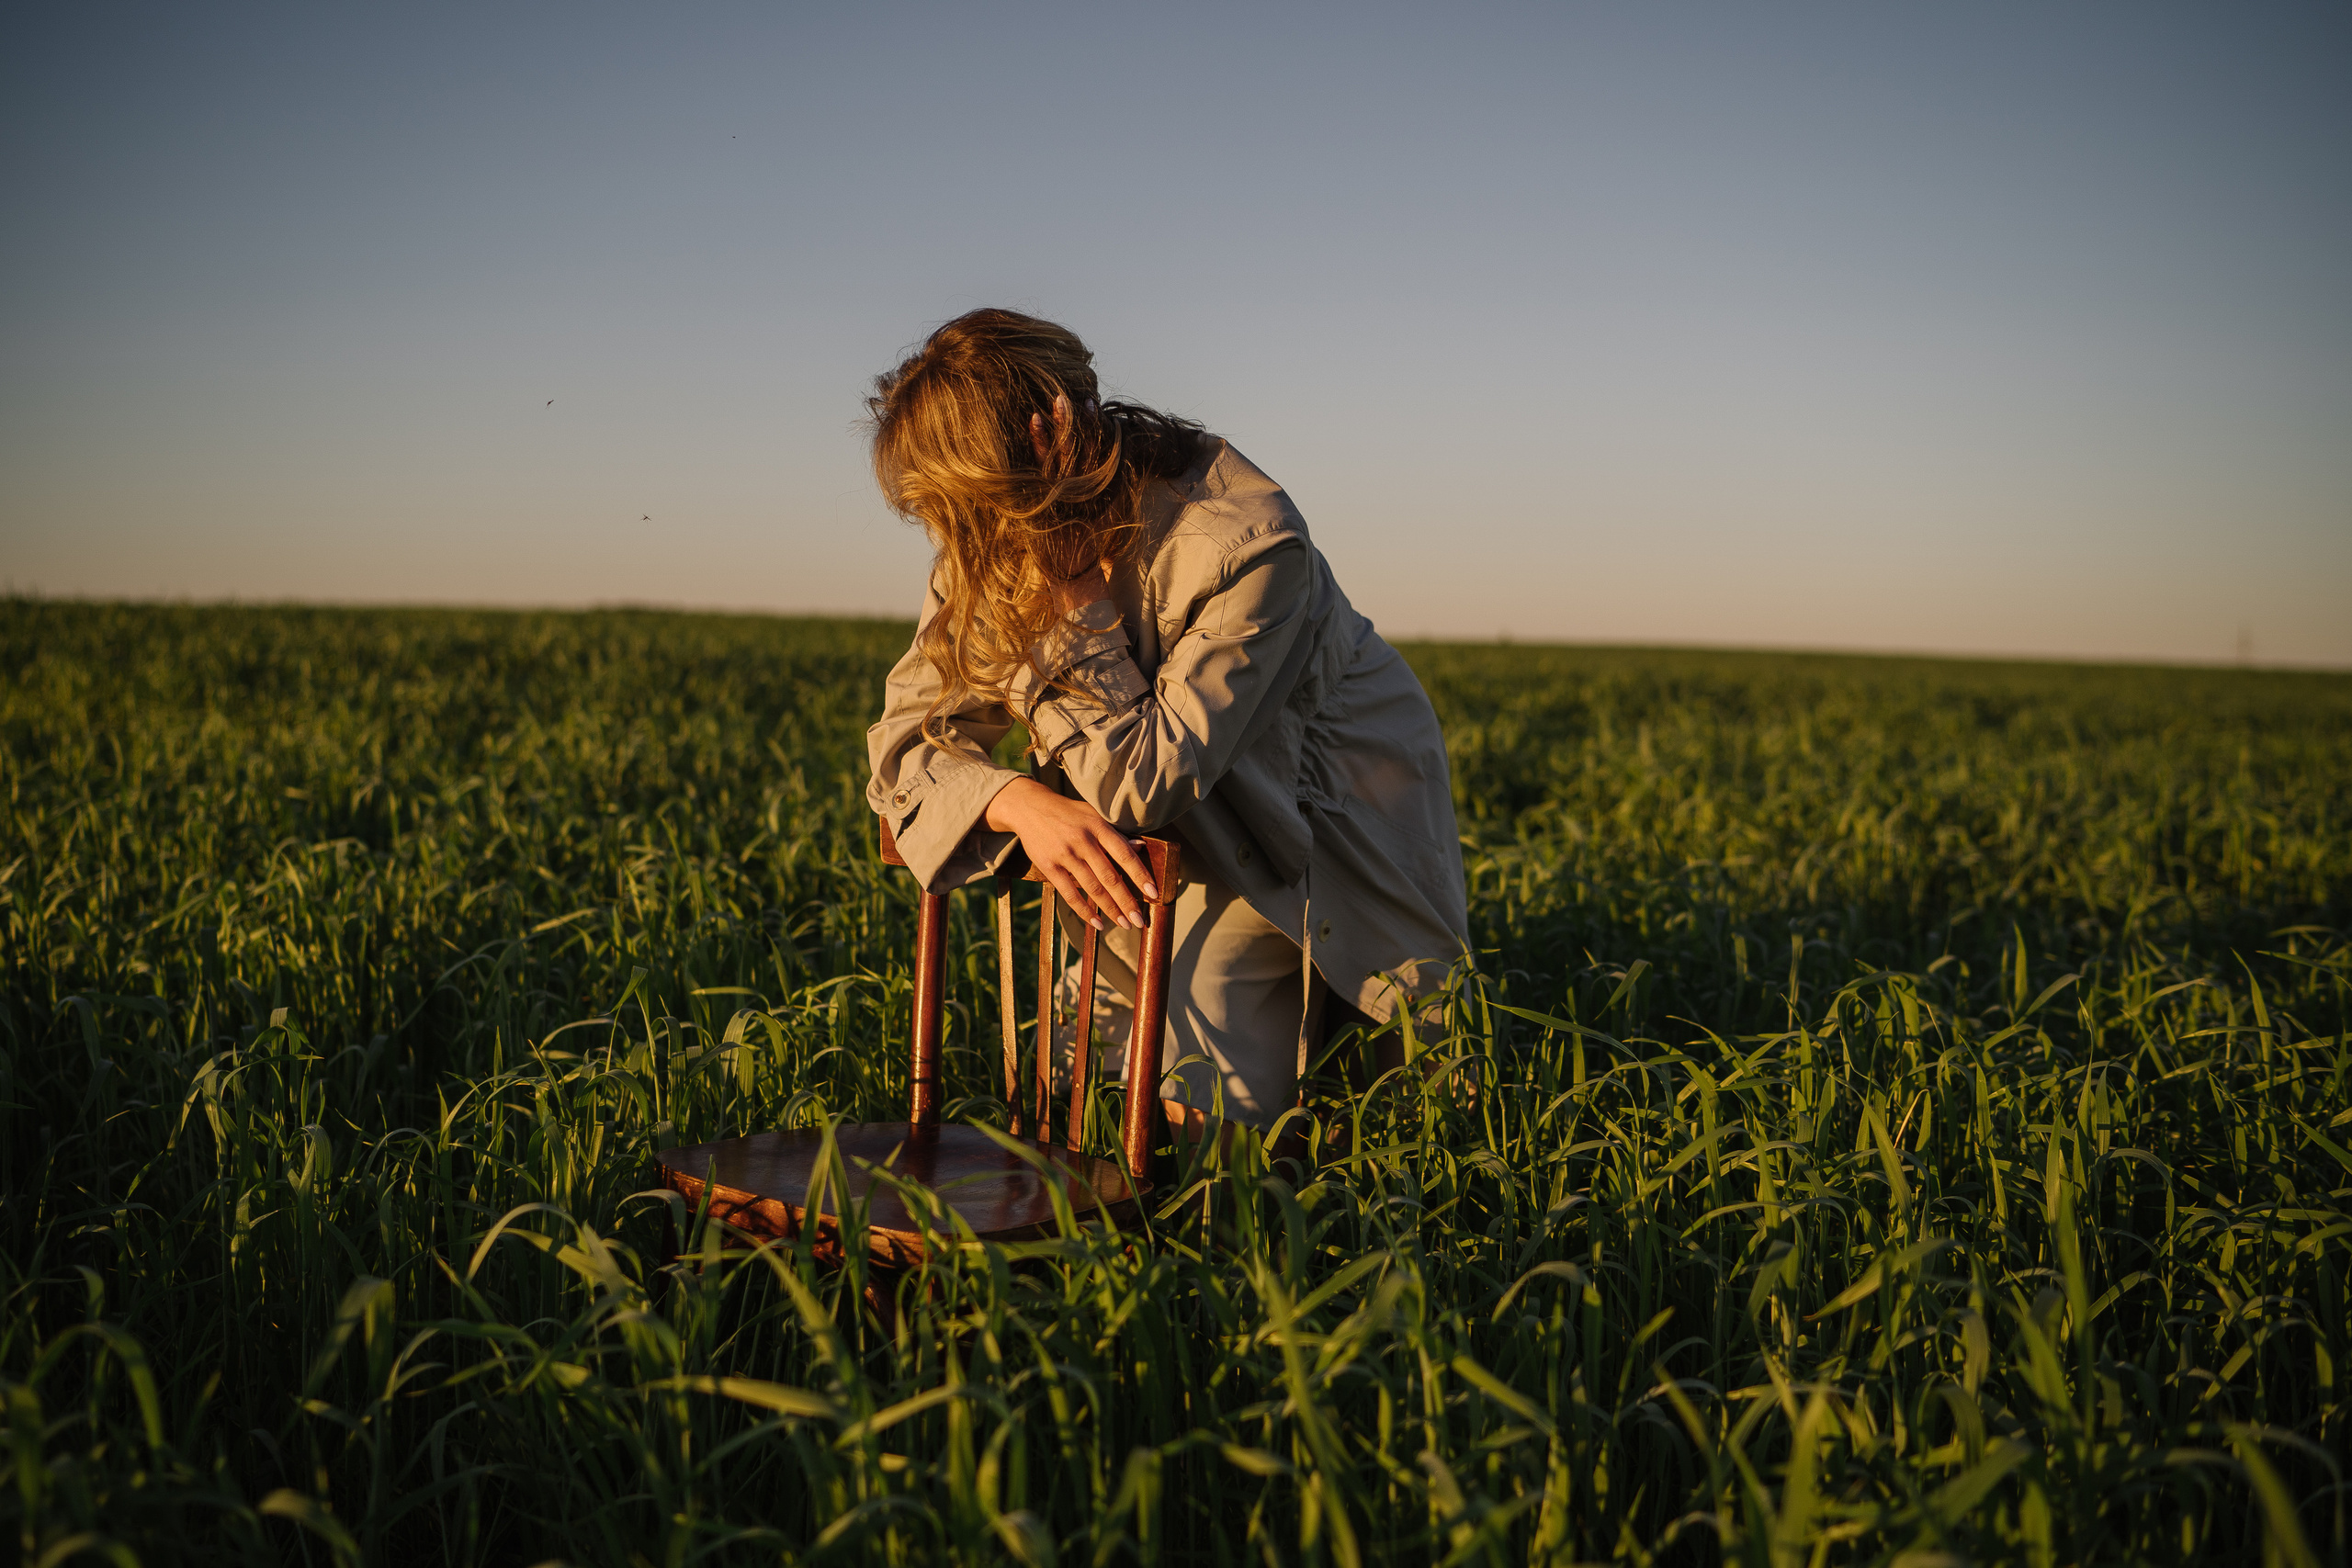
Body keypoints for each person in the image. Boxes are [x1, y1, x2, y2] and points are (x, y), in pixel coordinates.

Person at [864, 308, 1467, 1138]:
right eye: (952, 516)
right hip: (1166, 828)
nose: (964, 542)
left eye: (978, 505)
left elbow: (1143, 781)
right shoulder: (995, 540)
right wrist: (1016, 802)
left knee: (1303, 1109)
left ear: (1056, 442)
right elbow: (903, 745)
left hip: (1312, 810)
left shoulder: (1249, 543)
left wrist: (1074, 605)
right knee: (1085, 1090)